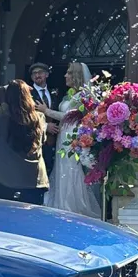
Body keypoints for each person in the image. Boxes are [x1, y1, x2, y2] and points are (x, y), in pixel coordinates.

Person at [40, 62, 103, 219]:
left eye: (68, 73)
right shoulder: (71, 94)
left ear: (76, 76)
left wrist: (46, 111)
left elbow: (68, 116)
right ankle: (62, 203)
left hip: (73, 135)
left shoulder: (83, 96)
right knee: (62, 168)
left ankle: (73, 206)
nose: (65, 75)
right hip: (64, 134)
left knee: (71, 168)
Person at [0, 80, 50, 204]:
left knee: (1, 217)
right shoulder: (39, 117)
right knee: (31, 218)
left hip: (2, 177)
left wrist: (4, 88)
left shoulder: (2, 115)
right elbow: (43, 140)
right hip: (33, 180)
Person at [27, 63, 61, 177]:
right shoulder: (27, 93)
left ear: (46, 74)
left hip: (56, 140)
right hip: (36, 140)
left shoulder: (55, 92)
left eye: (40, 72)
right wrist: (46, 126)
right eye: (34, 73)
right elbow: (26, 115)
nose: (37, 75)